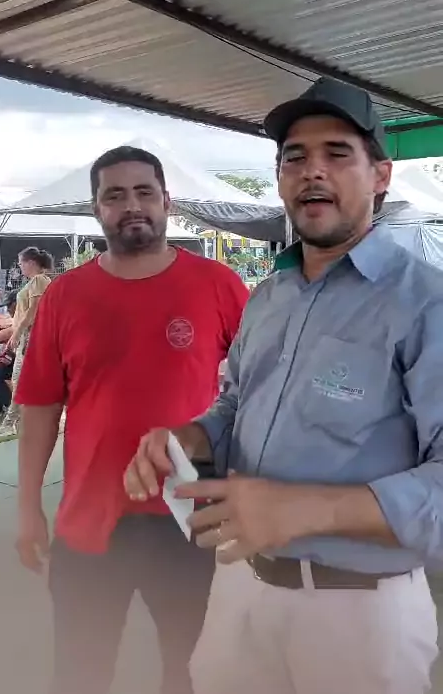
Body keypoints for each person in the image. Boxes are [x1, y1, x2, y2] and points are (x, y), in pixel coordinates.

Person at [125, 78, 443, 694]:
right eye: (294, 157)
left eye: (337, 153)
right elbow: (236, 403)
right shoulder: (269, 297)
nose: (312, 171)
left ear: (381, 176)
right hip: (240, 586)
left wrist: (305, 508)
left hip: (359, 616)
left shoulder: (426, 303)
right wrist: (191, 438)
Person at [14, 145, 249, 694]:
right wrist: (27, 509)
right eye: (115, 196)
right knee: (80, 672)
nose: (132, 205)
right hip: (90, 520)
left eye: (145, 192)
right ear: (97, 209)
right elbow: (41, 407)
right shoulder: (65, 295)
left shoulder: (218, 285)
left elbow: (259, 390)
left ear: (168, 201)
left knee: (191, 673)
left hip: (191, 516)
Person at [0, 247, 52, 439]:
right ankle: (15, 422)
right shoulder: (36, 281)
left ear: (30, 262)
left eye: (20, 263)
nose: (19, 267)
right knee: (26, 382)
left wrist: (17, 333)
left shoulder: (39, 280)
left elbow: (34, 310)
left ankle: (10, 423)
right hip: (28, 337)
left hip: (31, 338)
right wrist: (16, 333)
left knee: (20, 381)